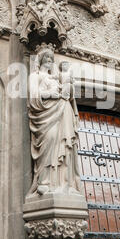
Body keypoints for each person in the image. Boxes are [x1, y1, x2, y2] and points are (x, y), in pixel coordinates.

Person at [27, 43, 83, 197]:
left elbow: (68, 95)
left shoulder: (57, 78)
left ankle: (65, 182)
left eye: (51, 58)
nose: (50, 61)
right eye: (46, 58)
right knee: (50, 142)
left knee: (65, 146)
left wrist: (68, 87)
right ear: (39, 60)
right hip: (46, 117)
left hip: (63, 113)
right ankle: (44, 182)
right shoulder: (35, 76)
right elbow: (34, 97)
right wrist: (51, 93)